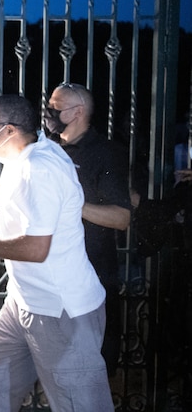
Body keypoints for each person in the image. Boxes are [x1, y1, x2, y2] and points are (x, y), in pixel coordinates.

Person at [0, 94, 113, 411]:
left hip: (61, 310)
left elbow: (37, 248)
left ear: (10, 130)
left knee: (78, 404)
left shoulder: (40, 169)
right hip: (25, 302)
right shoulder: (22, 152)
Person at [44, 82, 132, 376]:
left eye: (55, 107)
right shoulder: (50, 149)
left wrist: (72, 205)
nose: (49, 112)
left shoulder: (106, 154)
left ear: (78, 112)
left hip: (93, 275)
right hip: (53, 274)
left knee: (92, 367)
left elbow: (121, 218)